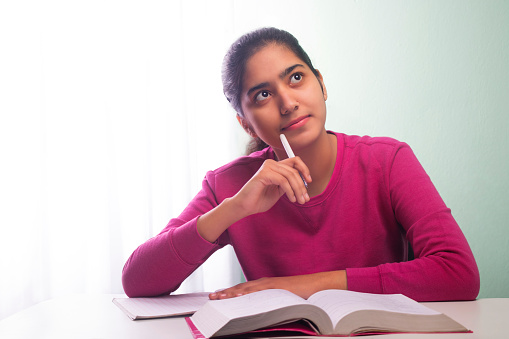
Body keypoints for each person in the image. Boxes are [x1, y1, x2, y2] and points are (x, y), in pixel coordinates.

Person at [121, 27, 480, 302]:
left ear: (321, 84)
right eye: (262, 94)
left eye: (296, 78)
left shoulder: (387, 160)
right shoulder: (230, 186)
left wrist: (297, 287)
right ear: (246, 123)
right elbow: (136, 281)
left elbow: (458, 272)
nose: (288, 102)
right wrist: (232, 210)